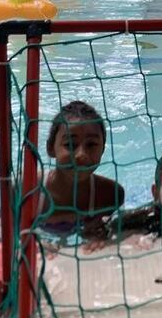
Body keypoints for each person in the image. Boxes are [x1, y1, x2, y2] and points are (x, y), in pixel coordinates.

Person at [41, 101, 124, 248]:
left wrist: (101, 238)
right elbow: (1, 233)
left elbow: (115, 231)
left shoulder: (111, 195)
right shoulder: (27, 189)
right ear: (50, 148)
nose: (81, 155)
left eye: (91, 145)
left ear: (103, 149)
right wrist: (34, 242)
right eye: (70, 145)